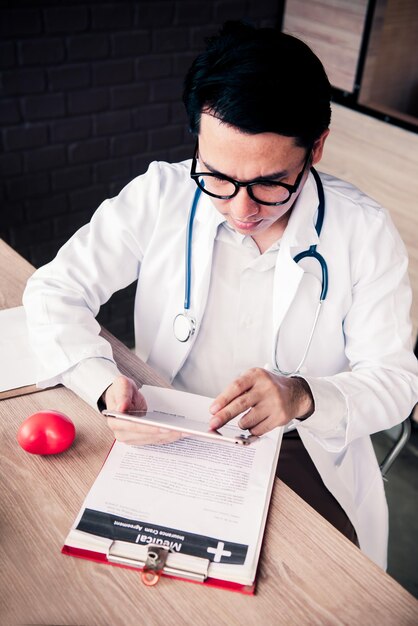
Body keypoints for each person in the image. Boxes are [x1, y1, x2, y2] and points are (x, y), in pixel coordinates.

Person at [23, 21, 418, 570]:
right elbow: (53, 290)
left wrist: (303, 396)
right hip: (164, 431)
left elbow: (398, 380)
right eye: (218, 177)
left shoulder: (364, 231)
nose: (241, 209)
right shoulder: (162, 193)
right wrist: (100, 382)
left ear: (317, 148)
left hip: (297, 453)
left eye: (272, 184)